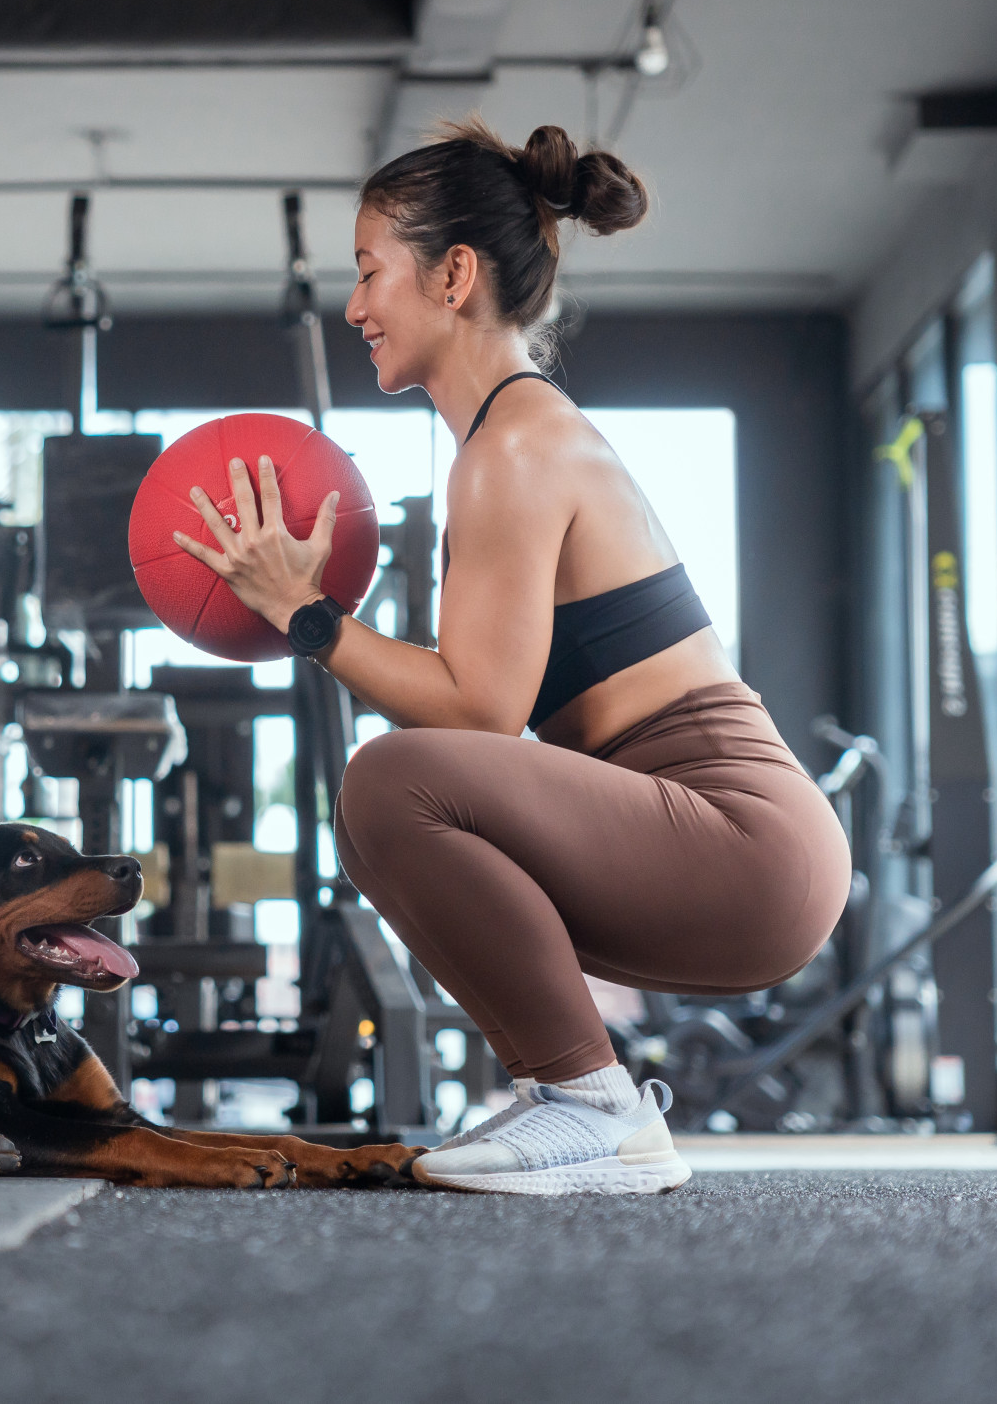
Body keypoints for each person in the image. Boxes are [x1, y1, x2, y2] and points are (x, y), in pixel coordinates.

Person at [171, 119, 849, 1195]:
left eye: (368, 273)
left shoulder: (514, 447)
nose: (354, 308)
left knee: (389, 782)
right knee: (403, 791)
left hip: (743, 843)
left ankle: (593, 1105)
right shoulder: (511, 439)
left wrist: (309, 616)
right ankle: (566, 1094)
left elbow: (477, 717)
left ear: (451, 275)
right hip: (724, 849)